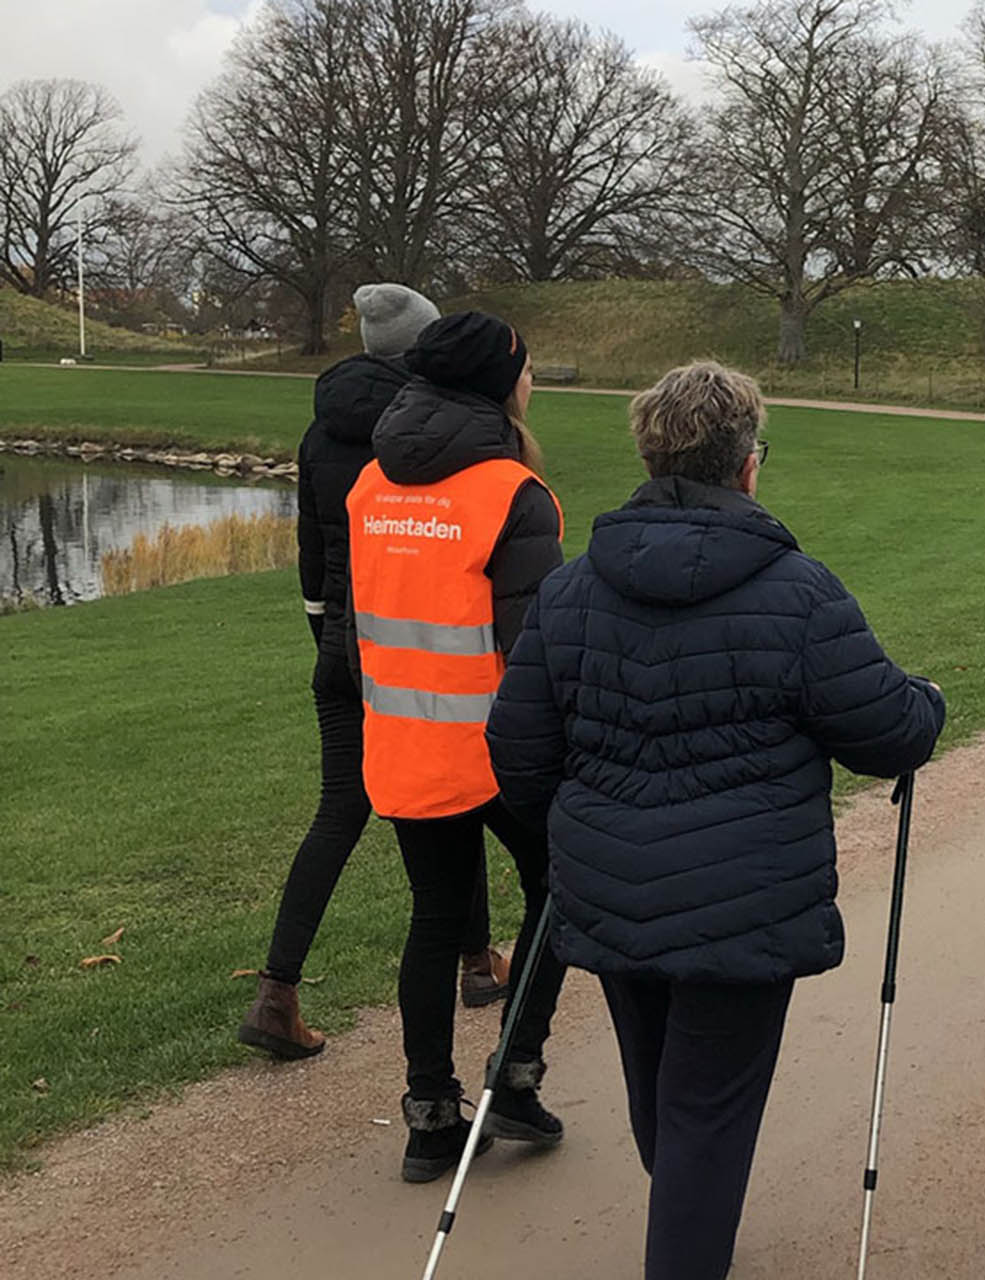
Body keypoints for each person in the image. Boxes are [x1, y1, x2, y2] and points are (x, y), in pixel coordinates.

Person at [486, 361, 945, 1279]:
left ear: (654, 458)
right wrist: (926, 703)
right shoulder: (798, 590)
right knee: (702, 1109)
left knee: (670, 1097)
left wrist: (589, 829)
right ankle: (688, 1240)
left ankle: (687, 1219)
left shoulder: (573, 591)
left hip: (619, 889)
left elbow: (517, 751)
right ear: (747, 467)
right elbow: (890, 729)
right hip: (743, 900)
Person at [237, 284, 511, 1064]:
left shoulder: (321, 429)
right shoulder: (432, 430)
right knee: (457, 791)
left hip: (343, 651)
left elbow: (312, 559)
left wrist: (329, 645)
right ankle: (473, 963)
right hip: (418, 649)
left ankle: (277, 991)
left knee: (341, 812)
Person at [346, 311, 569, 1182]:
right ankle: (515, 1072)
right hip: (497, 747)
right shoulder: (511, 492)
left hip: (401, 740)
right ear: (499, 383)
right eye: (527, 367)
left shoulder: (370, 483)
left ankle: (430, 1115)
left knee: (434, 921)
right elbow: (539, 651)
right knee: (558, 885)